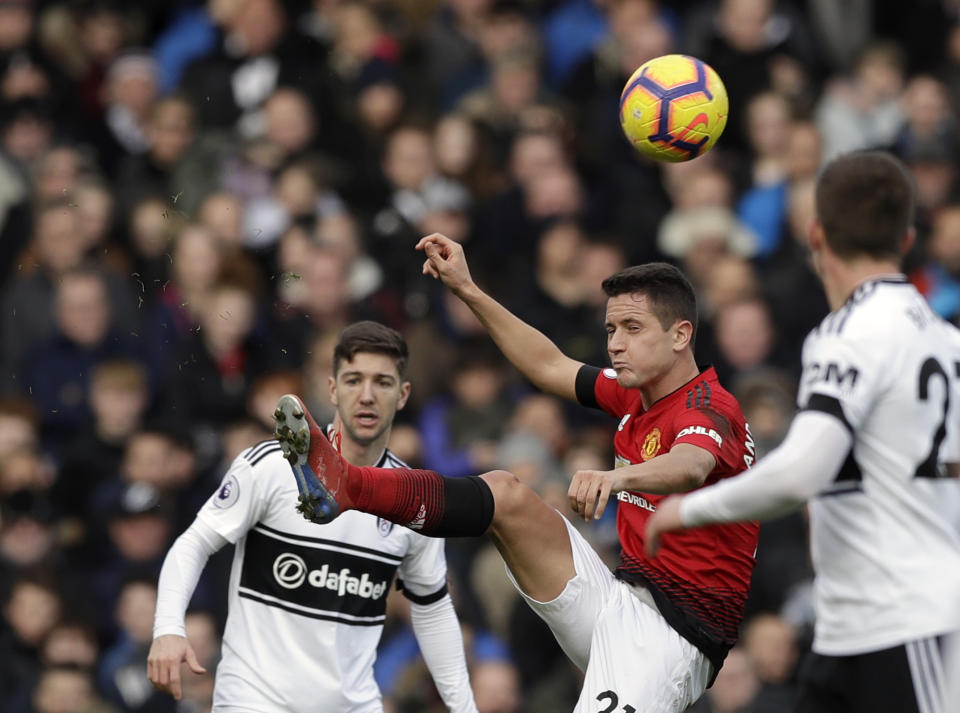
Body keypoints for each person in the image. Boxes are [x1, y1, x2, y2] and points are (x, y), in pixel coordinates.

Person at [275, 243, 759, 712]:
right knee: (504, 494)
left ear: (680, 335)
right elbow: (548, 365)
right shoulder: (638, 394)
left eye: (632, 328)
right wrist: (467, 290)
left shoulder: (710, 406)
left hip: (670, 642)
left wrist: (618, 480)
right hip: (616, 597)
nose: (615, 343)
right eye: (611, 328)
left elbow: (691, 463)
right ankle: (347, 485)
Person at [646, 151, 960, 713]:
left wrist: (685, 510)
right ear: (907, 236)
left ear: (816, 234)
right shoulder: (945, 339)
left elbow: (802, 471)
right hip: (849, 625)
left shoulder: (847, 334)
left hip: (908, 620)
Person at [147, 321, 478, 713]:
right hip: (253, 702)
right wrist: (168, 628)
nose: (367, 395)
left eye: (383, 383)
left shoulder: (413, 498)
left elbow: (432, 606)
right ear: (332, 388)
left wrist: (464, 707)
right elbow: (194, 543)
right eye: (354, 380)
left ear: (403, 395)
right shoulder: (272, 465)